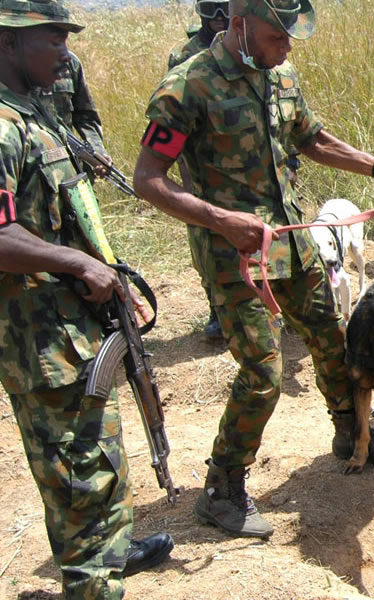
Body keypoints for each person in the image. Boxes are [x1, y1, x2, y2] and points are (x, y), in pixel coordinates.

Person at [134, 0, 374, 540]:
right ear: (239, 26)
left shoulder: (280, 75)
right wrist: (221, 220)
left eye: (291, 38)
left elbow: (310, 138)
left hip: (291, 240)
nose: (287, 47)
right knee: (264, 374)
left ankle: (352, 432)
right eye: (276, 36)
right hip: (234, 257)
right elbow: (148, 178)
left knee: (335, 336)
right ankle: (222, 488)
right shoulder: (187, 86)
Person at [0, 1, 173, 597]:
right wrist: (77, 263)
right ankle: (92, 582)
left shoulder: (38, 114)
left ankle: (113, 551)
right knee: (79, 476)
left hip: (74, 329)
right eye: (53, 40)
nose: (65, 52)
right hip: (39, 342)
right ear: (9, 43)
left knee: (102, 456)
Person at [168, 0, 231, 340]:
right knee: (204, 238)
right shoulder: (184, 56)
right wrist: (186, 174)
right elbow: (174, 120)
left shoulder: (247, 45)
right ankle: (216, 310)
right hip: (200, 162)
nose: (221, 19)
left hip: (241, 160)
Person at [37, 50, 112, 181]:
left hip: (68, 166)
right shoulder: (9, 65)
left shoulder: (69, 63)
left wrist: (97, 151)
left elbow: (86, 117)